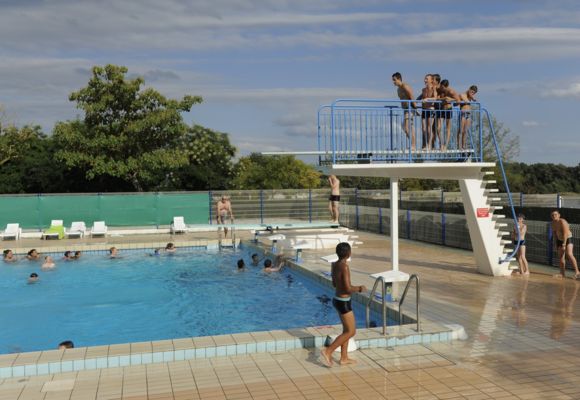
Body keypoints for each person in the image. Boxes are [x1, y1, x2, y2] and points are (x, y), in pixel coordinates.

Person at [320, 242, 366, 367]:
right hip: (343, 302)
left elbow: (335, 284)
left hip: (337, 299)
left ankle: (344, 358)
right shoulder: (344, 267)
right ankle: (328, 351)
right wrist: (360, 288)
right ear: (348, 253)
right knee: (351, 331)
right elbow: (347, 288)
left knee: (346, 330)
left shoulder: (334, 265)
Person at [551, 210, 579, 279]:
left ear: (559, 215)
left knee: (569, 254)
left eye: (555, 214)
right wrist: (555, 243)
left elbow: (565, 233)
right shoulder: (553, 223)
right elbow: (554, 234)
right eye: (552, 215)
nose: (554, 216)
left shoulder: (562, 221)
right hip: (559, 240)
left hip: (567, 238)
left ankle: (577, 272)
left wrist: (564, 244)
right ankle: (562, 273)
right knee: (560, 256)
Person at [392, 72, 416, 149]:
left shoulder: (405, 86)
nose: (393, 82)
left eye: (394, 80)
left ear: (399, 79)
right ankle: (413, 144)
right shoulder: (398, 90)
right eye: (393, 80)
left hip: (410, 108)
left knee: (407, 127)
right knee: (406, 127)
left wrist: (415, 107)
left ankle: (413, 145)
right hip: (405, 109)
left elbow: (411, 96)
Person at [438, 80, 461, 151]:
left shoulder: (451, 91)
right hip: (441, 109)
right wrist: (444, 98)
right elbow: (437, 98)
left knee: (448, 128)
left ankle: (445, 145)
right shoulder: (440, 91)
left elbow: (458, 101)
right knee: (438, 127)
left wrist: (451, 100)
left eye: (442, 87)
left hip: (448, 109)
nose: (441, 88)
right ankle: (441, 143)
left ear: (445, 86)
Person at [458, 85, 478, 150]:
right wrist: (472, 98)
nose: (472, 94)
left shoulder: (470, 96)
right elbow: (465, 100)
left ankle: (464, 145)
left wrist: (472, 98)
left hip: (468, 114)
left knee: (465, 131)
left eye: (474, 93)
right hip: (463, 113)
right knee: (461, 130)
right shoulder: (462, 95)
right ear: (469, 89)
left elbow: (472, 98)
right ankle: (459, 146)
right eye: (472, 92)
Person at [419, 74, 436, 150]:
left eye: (426, 79)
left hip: (430, 110)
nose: (425, 80)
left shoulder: (434, 89)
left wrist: (427, 99)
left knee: (429, 128)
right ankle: (424, 145)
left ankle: (429, 144)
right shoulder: (423, 89)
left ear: (431, 80)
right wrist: (414, 103)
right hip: (424, 110)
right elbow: (420, 97)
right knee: (423, 128)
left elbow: (435, 98)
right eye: (424, 79)